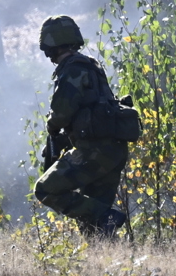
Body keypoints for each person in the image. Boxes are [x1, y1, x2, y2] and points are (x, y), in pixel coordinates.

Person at [34, 15, 130, 237]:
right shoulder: (91, 66)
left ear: (52, 45)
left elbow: (62, 111)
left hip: (93, 151)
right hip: (113, 149)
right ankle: (106, 263)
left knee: (46, 189)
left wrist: (52, 128)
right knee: (94, 226)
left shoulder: (72, 69)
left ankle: (108, 216)